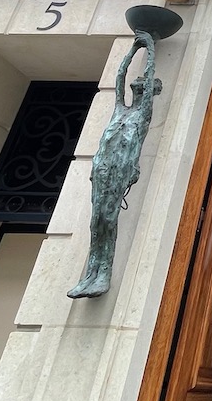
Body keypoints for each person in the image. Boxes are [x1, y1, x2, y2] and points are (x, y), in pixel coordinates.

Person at [68, 31, 162, 299]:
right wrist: (133, 49)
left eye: (143, 89)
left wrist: (150, 47)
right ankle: (89, 274)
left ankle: (103, 274)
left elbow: (146, 77)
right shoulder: (120, 109)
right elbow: (119, 77)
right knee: (95, 220)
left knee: (108, 218)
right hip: (102, 167)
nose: (138, 91)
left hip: (120, 171)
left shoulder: (142, 115)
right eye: (138, 88)